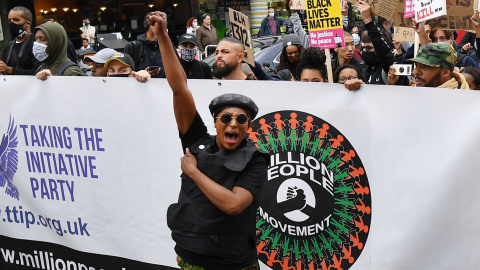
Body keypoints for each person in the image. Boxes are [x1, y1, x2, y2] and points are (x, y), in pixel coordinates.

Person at [148, 11, 269, 270]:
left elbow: (234, 205)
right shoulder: (197, 141)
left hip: (233, 264)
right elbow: (179, 87)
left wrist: (193, 172)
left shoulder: (255, 160)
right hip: (189, 259)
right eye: (226, 117)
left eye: (242, 119)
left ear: (248, 127)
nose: (233, 123)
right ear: (215, 123)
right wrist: (162, 35)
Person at [356, 0, 394, 85]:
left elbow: (382, 50)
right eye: (364, 47)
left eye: (369, 48)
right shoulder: (363, 69)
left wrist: (368, 20)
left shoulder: (388, 69)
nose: (365, 51)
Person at [0, 6, 41, 75]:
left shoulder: (36, 44)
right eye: (10, 20)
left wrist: (11, 70)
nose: (12, 23)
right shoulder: (8, 46)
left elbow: (38, 72)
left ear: (27, 24)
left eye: (16, 20)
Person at [124, 13, 166, 78]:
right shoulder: (132, 47)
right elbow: (126, 74)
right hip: (140, 86)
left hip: (166, 86)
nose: (165, 28)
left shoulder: (168, 46)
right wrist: (142, 74)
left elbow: (177, 70)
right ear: (151, 26)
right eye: (161, 24)